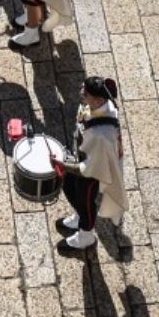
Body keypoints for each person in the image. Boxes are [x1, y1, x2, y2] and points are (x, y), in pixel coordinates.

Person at [55, 77, 125, 253]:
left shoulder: (101, 133)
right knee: (69, 186)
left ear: (99, 100)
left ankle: (85, 236)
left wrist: (63, 165)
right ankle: (79, 217)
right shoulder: (95, 107)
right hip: (84, 156)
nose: (81, 93)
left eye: (85, 93)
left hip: (93, 170)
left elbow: (89, 168)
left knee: (85, 202)